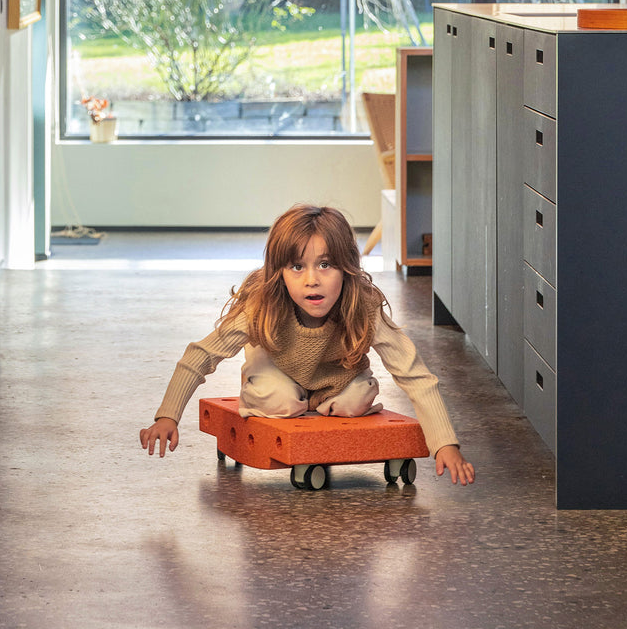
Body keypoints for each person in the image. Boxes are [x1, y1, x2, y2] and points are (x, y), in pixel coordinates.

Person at [139, 203, 475, 485]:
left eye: (325, 265)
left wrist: (445, 443)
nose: (312, 280)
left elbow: (413, 372)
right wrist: (168, 416)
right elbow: (201, 355)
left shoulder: (363, 305)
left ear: (347, 268)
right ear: (279, 272)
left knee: (358, 399)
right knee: (280, 399)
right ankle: (276, 391)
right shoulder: (262, 305)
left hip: (334, 376)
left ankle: (316, 399)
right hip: (275, 365)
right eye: (297, 267)